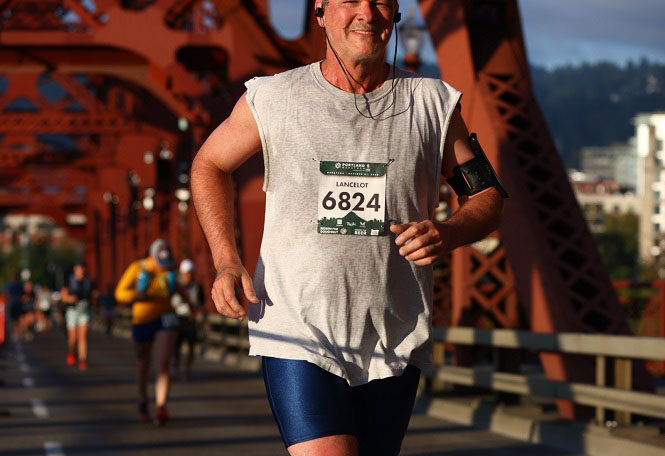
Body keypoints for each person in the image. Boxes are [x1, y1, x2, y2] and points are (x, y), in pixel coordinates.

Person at [190, 1, 505, 454]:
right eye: (349, 0)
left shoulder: (433, 103)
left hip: (393, 336)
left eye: (379, 1)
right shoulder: (272, 98)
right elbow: (209, 164)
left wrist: (449, 232)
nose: (367, 12)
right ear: (319, 13)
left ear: (395, 14)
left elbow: (488, 196)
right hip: (296, 332)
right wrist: (226, 260)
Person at [115, 239, 186, 426]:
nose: (163, 265)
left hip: (165, 317)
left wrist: (192, 306)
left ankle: (161, 406)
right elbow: (119, 293)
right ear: (152, 257)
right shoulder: (138, 268)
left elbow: (179, 289)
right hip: (142, 319)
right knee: (143, 363)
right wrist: (136, 296)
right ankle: (142, 399)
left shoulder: (170, 268)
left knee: (162, 364)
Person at [171, 258, 204, 381]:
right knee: (176, 346)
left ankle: (187, 369)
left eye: (190, 273)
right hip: (178, 318)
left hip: (190, 320)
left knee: (191, 346)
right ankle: (175, 367)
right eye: (186, 273)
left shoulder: (197, 286)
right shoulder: (176, 287)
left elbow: (201, 302)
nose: (188, 276)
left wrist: (197, 311)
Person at [60, 262, 94, 370]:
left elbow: (94, 294)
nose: (81, 272)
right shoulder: (69, 281)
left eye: (82, 270)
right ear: (75, 270)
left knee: (82, 336)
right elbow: (63, 296)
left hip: (84, 311)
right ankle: (72, 352)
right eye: (79, 270)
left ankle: (82, 359)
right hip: (72, 311)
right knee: (73, 338)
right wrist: (71, 299)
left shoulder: (88, 281)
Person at [6, 273, 24, 342]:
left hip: (13, 303)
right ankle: (17, 333)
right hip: (18, 303)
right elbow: (23, 295)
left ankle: (16, 333)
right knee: (17, 319)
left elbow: (8, 294)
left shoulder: (10, 285)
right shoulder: (20, 285)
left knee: (14, 319)